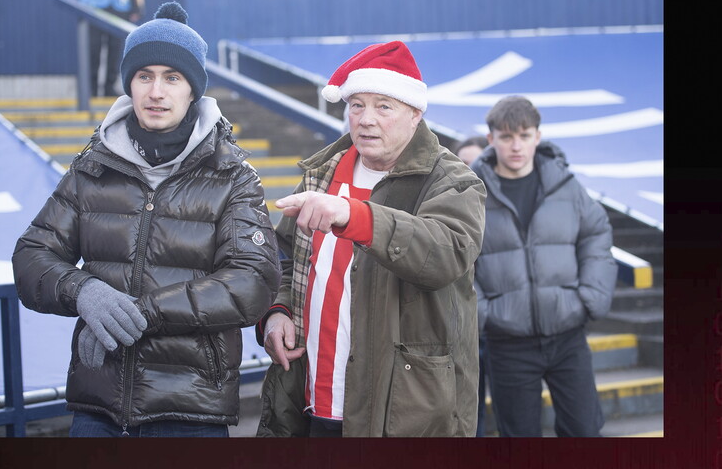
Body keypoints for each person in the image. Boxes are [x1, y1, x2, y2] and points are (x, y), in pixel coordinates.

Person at [12, 1, 280, 438]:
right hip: (97, 407)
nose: (157, 92)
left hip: (191, 410)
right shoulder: (91, 169)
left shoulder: (232, 177)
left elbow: (252, 282)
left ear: (193, 89)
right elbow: (31, 256)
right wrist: (84, 292)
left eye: (172, 78)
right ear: (130, 85)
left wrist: (143, 312)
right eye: (144, 76)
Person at [254, 41, 487, 437]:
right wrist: (276, 312)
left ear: (415, 114)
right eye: (356, 105)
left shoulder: (452, 180)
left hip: (402, 413)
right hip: (309, 398)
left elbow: (445, 252)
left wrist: (355, 216)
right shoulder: (323, 173)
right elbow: (285, 257)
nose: (365, 119)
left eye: (384, 106)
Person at [468, 95, 617, 437]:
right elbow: (459, 257)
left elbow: (596, 233)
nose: (516, 146)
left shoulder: (565, 185)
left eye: (524, 135)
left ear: (538, 136)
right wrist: (484, 313)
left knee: (584, 430)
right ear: (491, 140)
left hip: (568, 336)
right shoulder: (472, 194)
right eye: (506, 137)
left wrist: (588, 297)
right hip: (507, 341)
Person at [454, 134, 491, 437]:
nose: (470, 168)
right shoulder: (446, 206)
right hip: (464, 327)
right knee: (470, 411)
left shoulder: (499, 206)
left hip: (500, 327)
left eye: (476, 162)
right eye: (463, 162)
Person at [78, 0, 145, 96]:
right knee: (93, 48)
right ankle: (92, 88)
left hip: (119, 7)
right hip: (93, 6)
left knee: (115, 48)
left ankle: (110, 87)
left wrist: (137, 6)